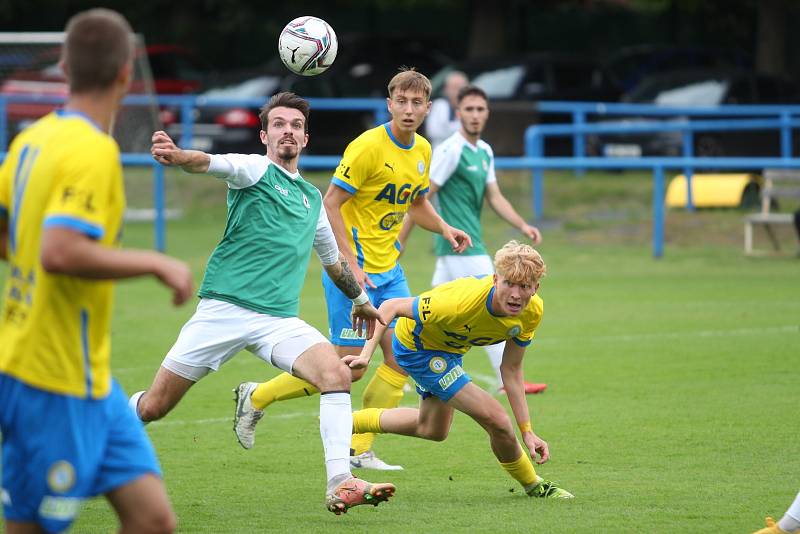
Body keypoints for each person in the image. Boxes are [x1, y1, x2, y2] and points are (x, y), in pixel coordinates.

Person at [128, 92, 395, 515]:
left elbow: (335, 263)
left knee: (335, 375)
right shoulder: (255, 171)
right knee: (156, 406)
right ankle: (104, 426)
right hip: (223, 311)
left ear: (305, 139)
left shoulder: (312, 200)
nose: (287, 130)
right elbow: (212, 163)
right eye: (279, 124)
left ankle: (340, 481)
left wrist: (361, 300)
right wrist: (180, 157)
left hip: (278, 320)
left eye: (295, 125)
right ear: (265, 135)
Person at [0, 9, 195, 533]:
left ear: (63, 66)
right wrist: (155, 262)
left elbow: (7, 231)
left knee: (153, 520)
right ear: (126, 75)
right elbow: (59, 252)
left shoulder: (31, 139)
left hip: (92, 379)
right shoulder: (91, 151)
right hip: (49, 376)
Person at [238, 68, 472, 471]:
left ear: (428, 108)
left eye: (417, 103)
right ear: (389, 104)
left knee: (400, 359)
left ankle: (358, 448)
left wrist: (446, 227)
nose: (409, 109)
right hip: (353, 274)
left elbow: (416, 204)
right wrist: (348, 262)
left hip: (390, 272)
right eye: (402, 100)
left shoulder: (422, 150)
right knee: (346, 367)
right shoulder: (366, 147)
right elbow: (330, 204)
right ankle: (257, 396)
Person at [342, 241, 574, 500]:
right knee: (496, 419)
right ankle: (534, 485)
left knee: (432, 429)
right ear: (496, 279)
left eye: (524, 286)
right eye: (509, 283)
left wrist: (527, 430)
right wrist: (365, 354)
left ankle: (345, 422)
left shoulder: (532, 312)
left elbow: (511, 369)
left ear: (536, 287)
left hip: (449, 351)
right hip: (418, 347)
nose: (516, 294)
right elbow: (391, 306)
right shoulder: (458, 301)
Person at [401, 84, 546, 395]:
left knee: (426, 312)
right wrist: (398, 243)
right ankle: (507, 380)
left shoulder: (484, 151)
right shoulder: (451, 150)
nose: (475, 115)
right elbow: (420, 199)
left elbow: (495, 196)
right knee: (494, 303)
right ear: (459, 114)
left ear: (487, 114)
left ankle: (402, 371)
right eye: (469, 109)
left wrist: (522, 225)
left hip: (459, 248)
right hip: (462, 246)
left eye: (480, 109)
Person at [425, 70, 468, 149]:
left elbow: (471, 132)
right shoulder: (439, 105)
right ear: (446, 89)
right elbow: (432, 131)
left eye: (461, 87)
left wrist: (447, 128)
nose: (458, 91)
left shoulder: (471, 108)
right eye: (454, 87)